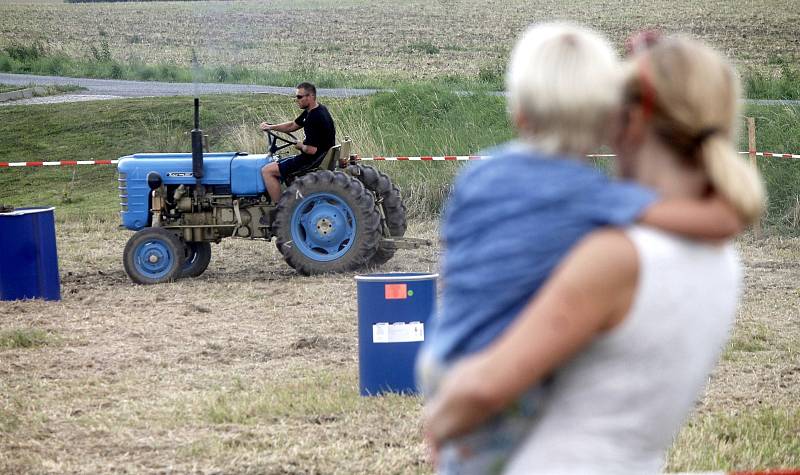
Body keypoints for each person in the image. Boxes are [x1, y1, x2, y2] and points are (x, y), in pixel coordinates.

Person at [416, 23, 750, 474]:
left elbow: (483, 390)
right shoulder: (721, 261)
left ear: (628, 122)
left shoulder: (609, 253)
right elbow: (720, 219)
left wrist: (438, 423)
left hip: (453, 359)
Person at [259, 82, 336, 204]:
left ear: (310, 96)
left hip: (311, 160)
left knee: (267, 171)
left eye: (299, 97)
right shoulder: (315, 110)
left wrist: (301, 146)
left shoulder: (314, 118)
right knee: (277, 165)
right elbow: (292, 125)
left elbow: (312, 150)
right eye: (296, 96)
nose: (296, 100)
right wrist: (271, 127)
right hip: (316, 157)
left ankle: (280, 210)